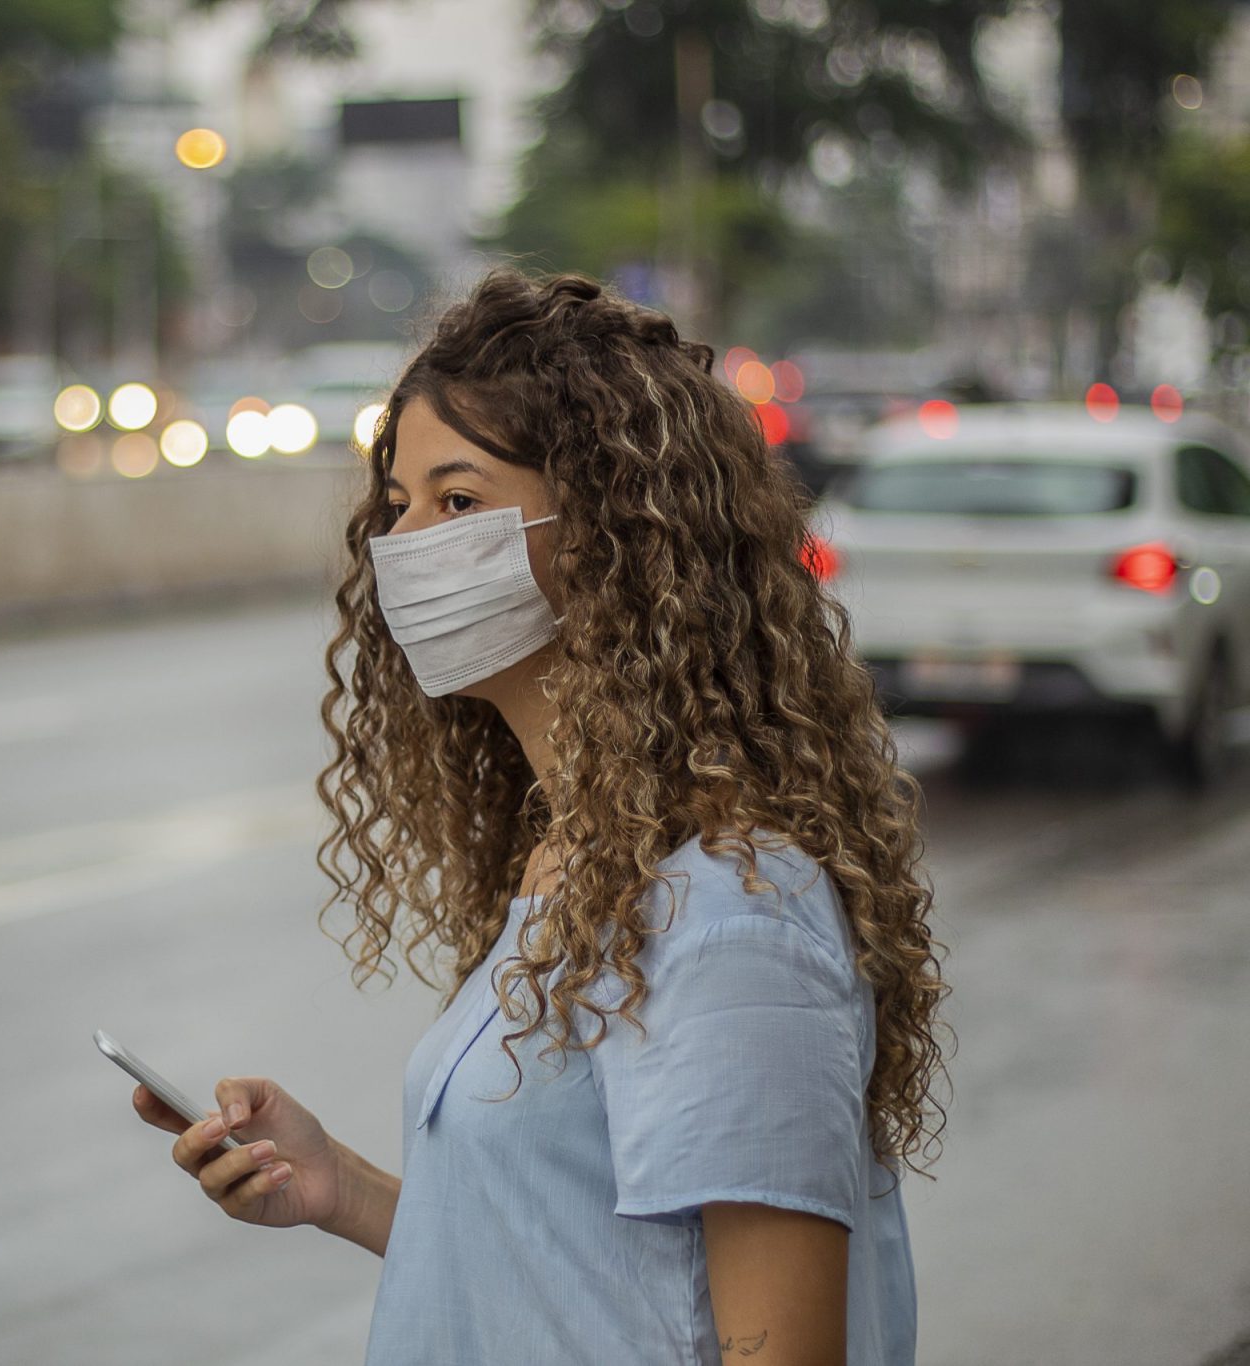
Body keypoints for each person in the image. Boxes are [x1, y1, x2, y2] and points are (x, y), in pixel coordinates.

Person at [126, 268, 951, 1365]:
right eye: (397, 505)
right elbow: (574, 1267)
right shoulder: (576, 857)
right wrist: (337, 1188)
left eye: (457, 502)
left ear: (615, 536)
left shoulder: (727, 913)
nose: (403, 544)